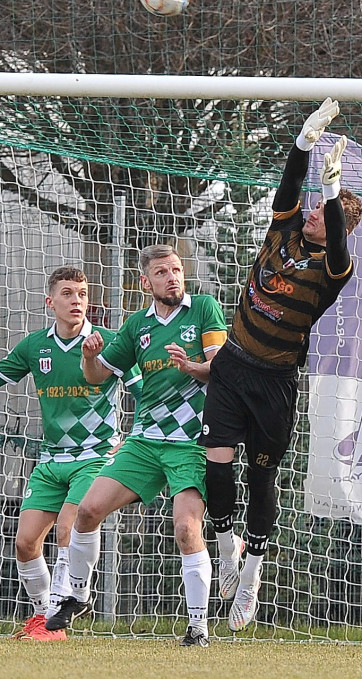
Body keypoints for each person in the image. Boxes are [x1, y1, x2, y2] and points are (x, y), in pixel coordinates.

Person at [199, 98, 362, 633]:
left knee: (260, 477)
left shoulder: (333, 270)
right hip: (231, 366)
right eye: (316, 206)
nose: (313, 211)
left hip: (274, 383)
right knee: (216, 466)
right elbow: (290, 188)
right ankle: (227, 548)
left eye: (323, 210)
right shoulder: (283, 232)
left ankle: (252, 574)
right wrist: (304, 142)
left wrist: (336, 192)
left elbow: (337, 238)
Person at [45, 245, 227, 649]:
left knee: (185, 528)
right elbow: (96, 376)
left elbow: (220, 371)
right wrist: (89, 358)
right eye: (162, 272)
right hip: (144, 440)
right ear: (146, 282)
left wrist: (191, 367)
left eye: (176, 270)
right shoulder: (136, 326)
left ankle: (198, 628)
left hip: (190, 442)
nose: (172, 278)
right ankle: (77, 594)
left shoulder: (204, 309)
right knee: (88, 510)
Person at [0, 267, 142, 641]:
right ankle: (43, 617)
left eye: (81, 293)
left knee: (68, 527)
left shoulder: (109, 341)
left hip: (95, 456)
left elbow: (144, 392)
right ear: (51, 302)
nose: (77, 300)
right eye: (67, 293)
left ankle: (59, 614)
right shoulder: (34, 346)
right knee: (25, 542)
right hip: (51, 461)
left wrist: (137, 437)